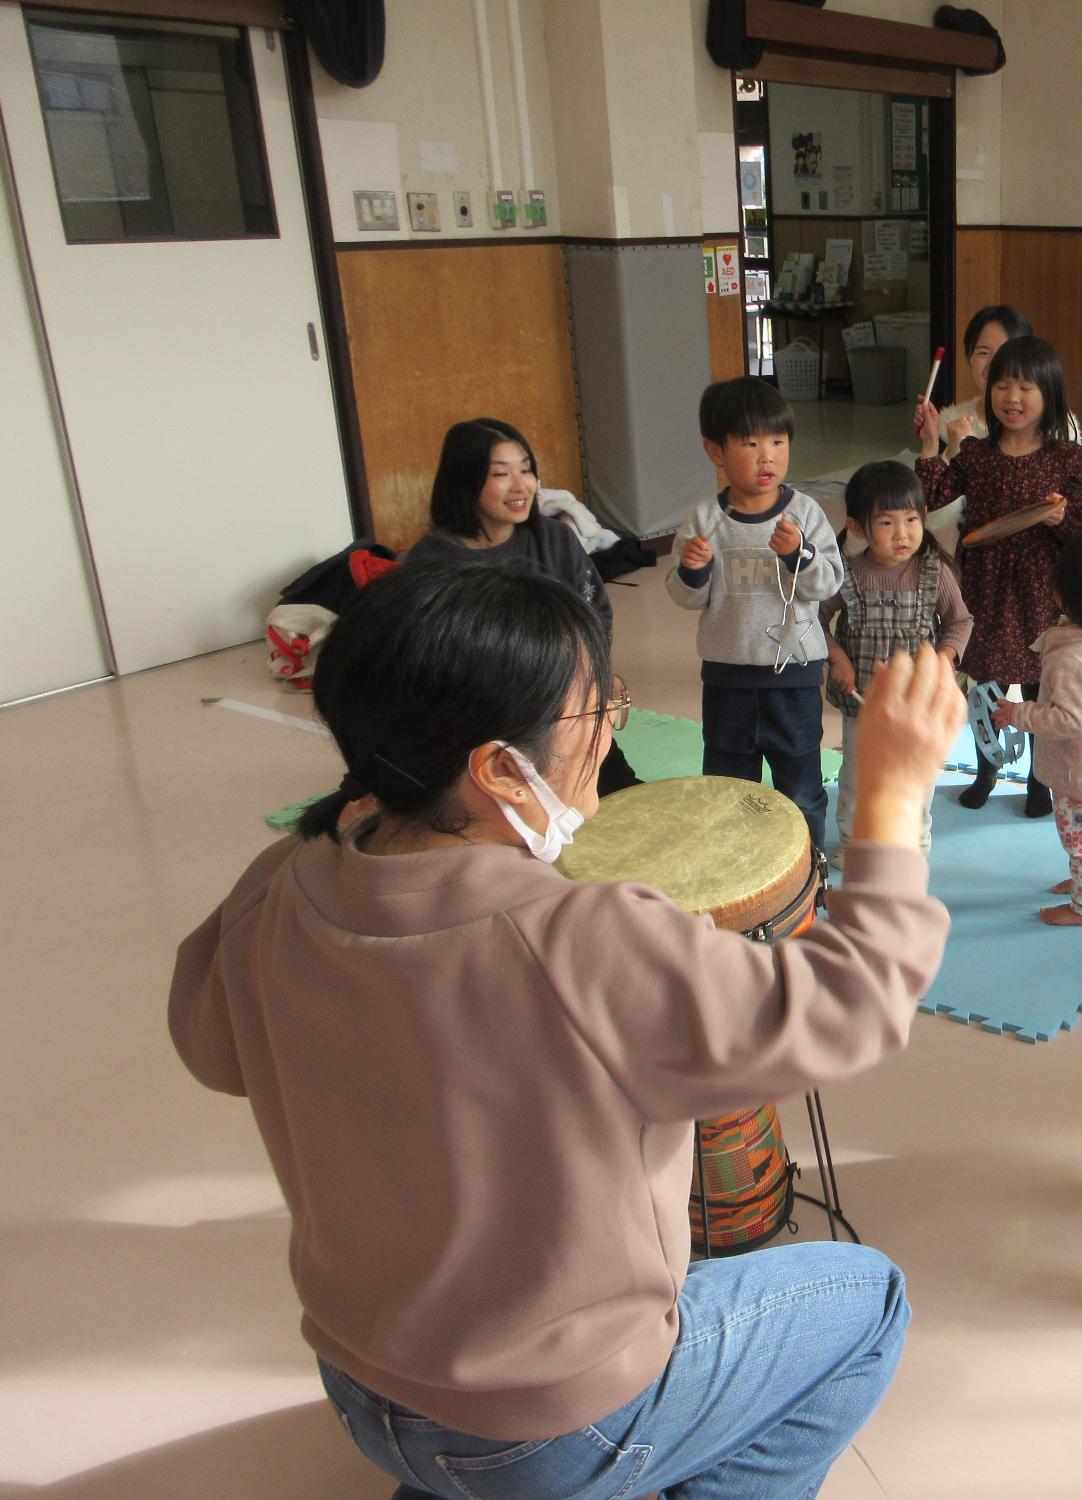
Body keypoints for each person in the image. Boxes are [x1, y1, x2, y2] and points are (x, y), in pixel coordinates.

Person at [169, 555, 967, 1500]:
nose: (611, 728)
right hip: (550, 1417)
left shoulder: (279, 882)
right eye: (598, 713)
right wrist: (890, 797)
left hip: (361, 1381)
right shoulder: (581, 935)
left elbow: (210, 1048)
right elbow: (855, 1003)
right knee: (865, 1303)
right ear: (500, 770)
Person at [403, 417, 640, 796]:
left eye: (526, 470)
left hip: (563, 707)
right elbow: (429, 662)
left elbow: (594, 614)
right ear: (465, 481)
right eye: (501, 474)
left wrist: (596, 673)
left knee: (619, 798)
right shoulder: (435, 560)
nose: (521, 485)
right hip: (482, 722)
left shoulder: (555, 539)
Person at [916, 335, 1082, 817]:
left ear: (1050, 395)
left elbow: (1081, 528)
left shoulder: (1067, 459)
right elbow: (933, 496)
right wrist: (934, 443)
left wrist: (1062, 521)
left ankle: (1040, 779)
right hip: (985, 585)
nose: (1012, 398)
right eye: (1003, 386)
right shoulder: (975, 453)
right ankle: (987, 769)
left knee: (1041, 685)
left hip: (1040, 587)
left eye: (1026, 388)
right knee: (985, 684)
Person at [669, 377, 845, 853]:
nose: (767, 455)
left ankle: (806, 874)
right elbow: (685, 598)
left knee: (802, 791)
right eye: (750, 443)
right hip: (727, 681)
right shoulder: (705, 520)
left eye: (777, 441)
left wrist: (800, 556)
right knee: (730, 791)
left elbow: (830, 584)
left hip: (795, 678)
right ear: (715, 451)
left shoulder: (804, 513)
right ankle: (740, 871)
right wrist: (693, 570)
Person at [823, 459, 974, 864]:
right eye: (886, 523)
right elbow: (813, 620)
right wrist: (836, 656)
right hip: (863, 702)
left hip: (916, 706)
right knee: (857, 777)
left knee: (918, 777)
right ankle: (854, 845)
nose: (902, 533)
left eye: (910, 519)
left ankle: (914, 845)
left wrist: (944, 658)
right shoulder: (846, 574)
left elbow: (960, 620)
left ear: (924, 517)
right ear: (857, 528)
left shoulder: (934, 572)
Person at [991, 536, 1082, 926]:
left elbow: (1071, 720)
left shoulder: (1074, 660)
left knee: (1081, 844)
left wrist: (1018, 713)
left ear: (1062, 595)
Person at [914, 303, 1082, 461]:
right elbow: (935, 490)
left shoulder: (1058, 426)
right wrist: (934, 443)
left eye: (1006, 352)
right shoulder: (951, 423)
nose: (995, 364)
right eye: (983, 352)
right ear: (969, 358)